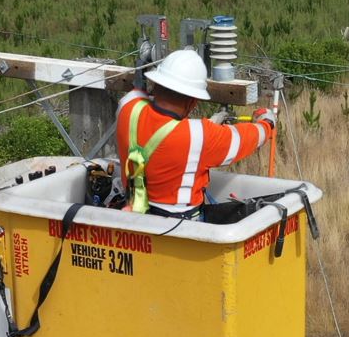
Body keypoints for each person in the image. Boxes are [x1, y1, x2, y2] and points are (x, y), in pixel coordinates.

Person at [117, 49, 275, 218]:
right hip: (178, 227)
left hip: (133, 217)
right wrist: (267, 123)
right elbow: (242, 139)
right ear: (193, 101)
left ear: (156, 84)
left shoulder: (128, 106)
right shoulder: (199, 136)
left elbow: (145, 103)